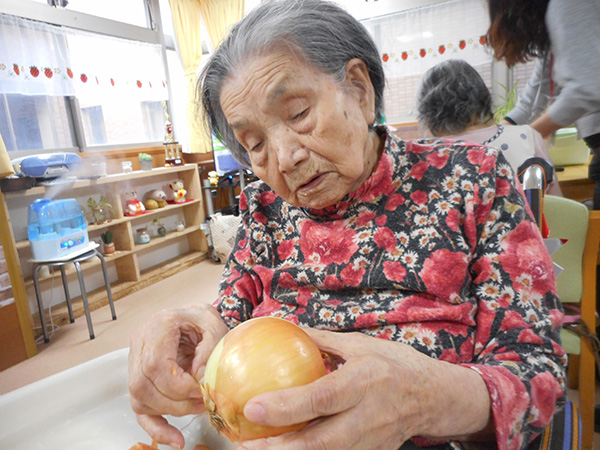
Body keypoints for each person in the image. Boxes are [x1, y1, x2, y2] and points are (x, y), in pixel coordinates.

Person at [128, 1, 567, 449]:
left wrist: (423, 399)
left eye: (298, 114)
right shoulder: (264, 206)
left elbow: (536, 373)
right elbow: (228, 320)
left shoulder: (473, 180)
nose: (285, 158)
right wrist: (194, 330)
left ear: (358, 89)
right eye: (254, 143)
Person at [486, 0, 600, 209]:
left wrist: (527, 135)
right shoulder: (554, 27)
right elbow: (535, 95)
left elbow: (587, 88)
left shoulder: (567, 5)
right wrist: (498, 135)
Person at [416, 58, 562, 196]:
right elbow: (558, 205)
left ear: (430, 113)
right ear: (482, 98)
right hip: (530, 222)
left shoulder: (428, 157)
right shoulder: (528, 137)